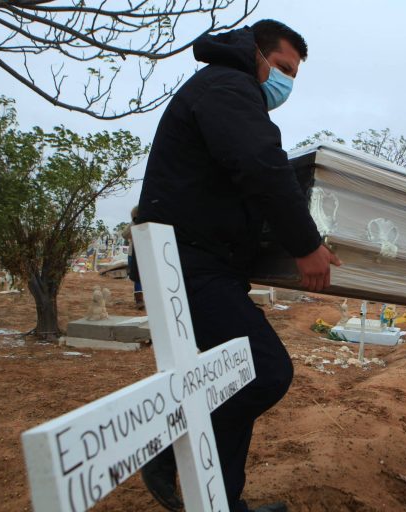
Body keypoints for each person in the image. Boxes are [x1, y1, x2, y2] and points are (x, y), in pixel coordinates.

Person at [136, 19, 340, 512]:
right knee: (264, 371)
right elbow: (259, 165)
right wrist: (304, 243)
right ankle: (164, 447)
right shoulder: (229, 86)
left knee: (233, 373)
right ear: (258, 54)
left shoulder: (224, 88)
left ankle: (222, 502)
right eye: (284, 68)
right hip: (187, 262)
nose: (286, 81)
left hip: (204, 262)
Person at [122, 206, 144, 310]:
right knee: (137, 278)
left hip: (146, 252)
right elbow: (124, 235)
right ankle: (139, 300)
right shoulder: (134, 223)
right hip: (134, 253)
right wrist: (134, 222)